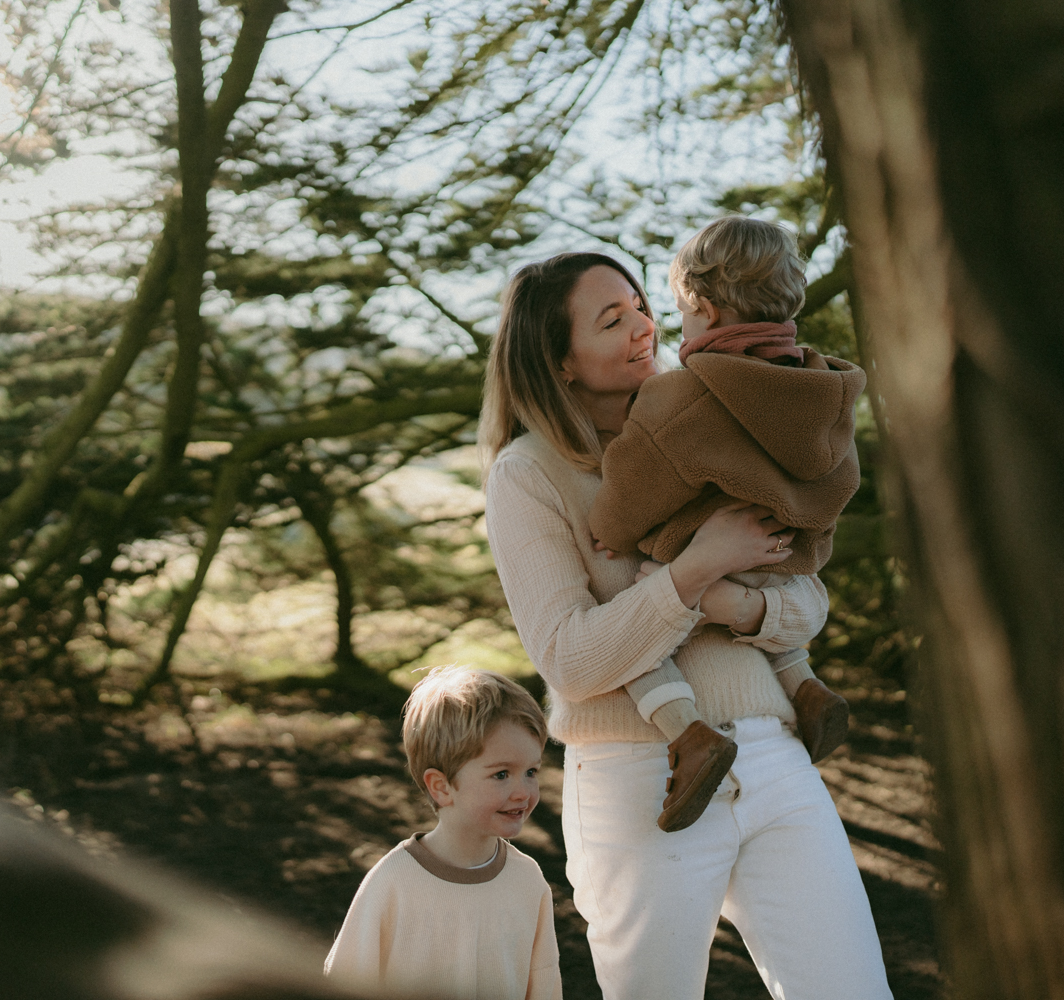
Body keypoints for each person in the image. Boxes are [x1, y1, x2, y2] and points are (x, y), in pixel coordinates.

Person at [481, 251, 892, 999]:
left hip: (775, 756)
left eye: (640, 305)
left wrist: (742, 605)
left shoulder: (712, 419)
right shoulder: (528, 473)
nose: (643, 326)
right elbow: (571, 659)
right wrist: (696, 569)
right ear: (559, 362)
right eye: (612, 320)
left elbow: (807, 599)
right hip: (641, 781)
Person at [588, 216, 865, 833]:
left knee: (638, 626)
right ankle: (808, 689)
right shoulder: (824, 389)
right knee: (762, 598)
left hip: (696, 560)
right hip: (784, 557)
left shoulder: (684, 398)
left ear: (706, 311)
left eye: (679, 314)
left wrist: (611, 526)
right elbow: (841, 479)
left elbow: (631, 487)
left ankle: (689, 734)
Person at [324, 667, 562, 1000]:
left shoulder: (527, 880)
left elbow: (544, 985)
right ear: (442, 786)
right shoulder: (394, 882)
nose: (523, 791)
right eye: (502, 774)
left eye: (532, 771)